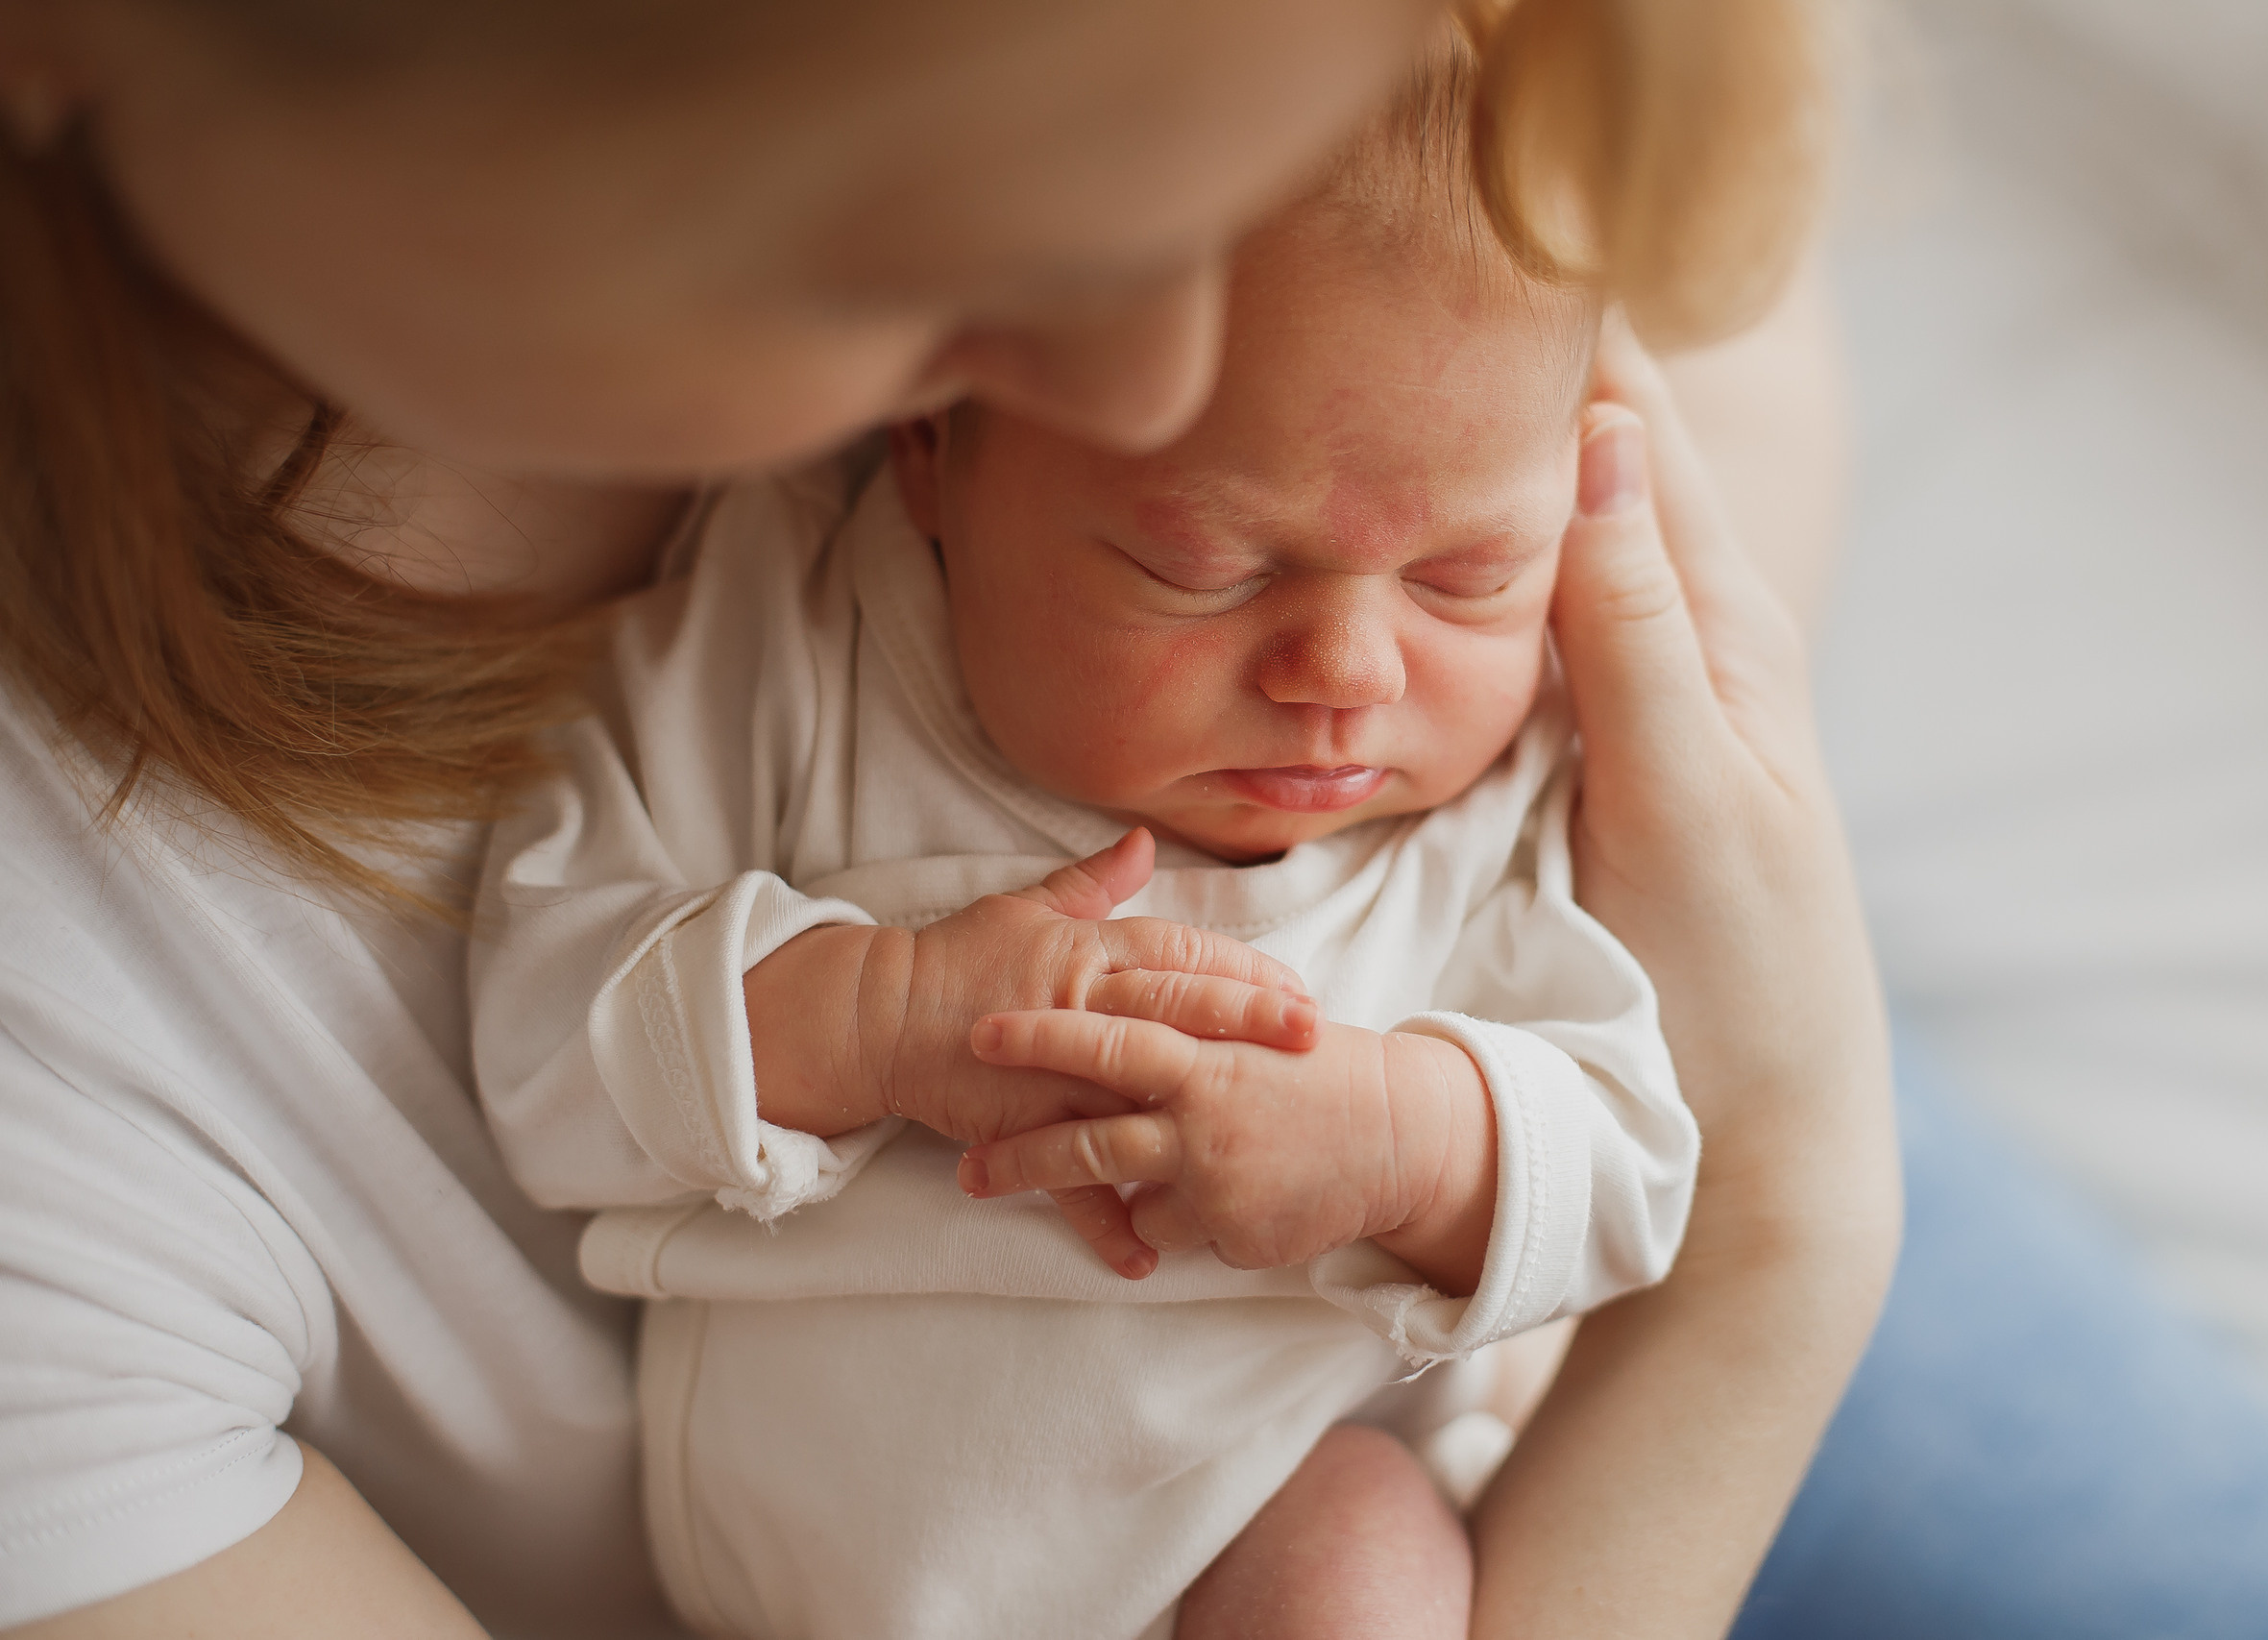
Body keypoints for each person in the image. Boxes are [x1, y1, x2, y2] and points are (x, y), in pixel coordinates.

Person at [0, 2, 1895, 1637]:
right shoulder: (757, 635)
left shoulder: (1395, 483)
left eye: (1473, 571)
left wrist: (1485, 1157)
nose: (1166, 370)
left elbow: (1698, 327)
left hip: (1424, 1404)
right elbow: (576, 1022)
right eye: (893, 254)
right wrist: (1782, 1209)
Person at [469, 52, 1699, 1635]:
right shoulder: (800, 629)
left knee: (1368, 1555)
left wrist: (1413, 1139)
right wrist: (877, 1022)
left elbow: (1638, 1167)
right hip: (812, 1575)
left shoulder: (1498, 784)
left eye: (1467, 578)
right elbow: (542, 1039)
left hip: (1260, 1509)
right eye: (1204, 567)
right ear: (932, 446)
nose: (1349, 674)